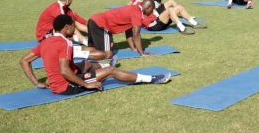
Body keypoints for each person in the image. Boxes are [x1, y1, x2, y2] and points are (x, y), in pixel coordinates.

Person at [19, 15, 170, 94]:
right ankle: (152, 79)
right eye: (73, 26)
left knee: (85, 63)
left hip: (56, 84)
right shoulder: (65, 43)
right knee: (112, 72)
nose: (75, 29)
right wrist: (86, 84)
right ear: (66, 28)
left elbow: (24, 61)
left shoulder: (46, 41)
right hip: (67, 86)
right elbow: (64, 70)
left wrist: (37, 83)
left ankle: (102, 68)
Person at [87, 0, 155, 58]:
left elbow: (128, 31)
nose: (151, 12)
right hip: (100, 25)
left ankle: (76, 51)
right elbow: (136, 34)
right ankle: (80, 55)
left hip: (93, 20)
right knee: (108, 54)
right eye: (152, 10)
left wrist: (133, 48)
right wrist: (142, 53)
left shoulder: (134, 8)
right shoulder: (137, 13)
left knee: (93, 48)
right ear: (148, 7)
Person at [131, 0, 205, 34]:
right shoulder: (136, 5)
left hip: (158, 19)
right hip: (153, 25)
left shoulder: (146, 1)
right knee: (170, 10)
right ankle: (182, 29)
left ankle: (195, 24)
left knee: (179, 7)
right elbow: (133, 16)